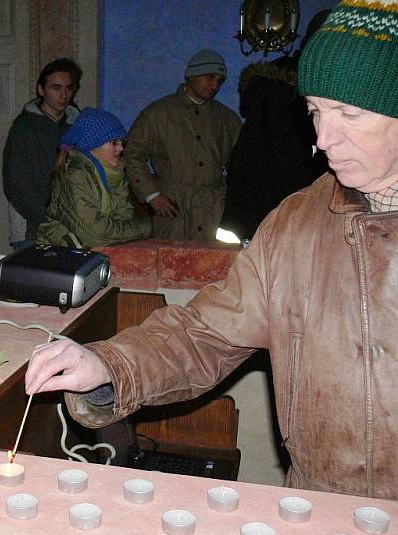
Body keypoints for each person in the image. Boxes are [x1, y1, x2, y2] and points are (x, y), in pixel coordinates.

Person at [25, 0, 398, 500]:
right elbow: (205, 334)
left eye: (349, 113)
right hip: (321, 510)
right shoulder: (295, 224)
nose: (323, 139)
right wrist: (110, 366)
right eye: (315, 111)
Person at [221, 10, 331, 242]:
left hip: (249, 212)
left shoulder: (268, 90)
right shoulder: (304, 91)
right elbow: (296, 164)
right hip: (292, 213)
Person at [124, 49, 240, 241]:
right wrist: (152, 196)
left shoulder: (227, 119)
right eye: (209, 77)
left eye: (220, 80)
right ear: (191, 76)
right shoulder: (158, 114)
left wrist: (230, 199)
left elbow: (239, 163)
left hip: (214, 210)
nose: (215, 85)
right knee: (171, 264)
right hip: (172, 207)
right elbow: (132, 155)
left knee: (212, 265)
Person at [36, 107, 151, 248]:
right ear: (92, 145)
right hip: (61, 257)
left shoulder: (115, 173)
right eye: (114, 142)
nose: (121, 148)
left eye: (122, 142)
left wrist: (116, 231)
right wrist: (145, 228)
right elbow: (95, 234)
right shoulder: (74, 175)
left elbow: (124, 216)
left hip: (89, 255)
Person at [3, 58, 81, 251]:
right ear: (41, 90)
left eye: (68, 88)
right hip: (32, 229)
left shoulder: (77, 125)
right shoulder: (24, 128)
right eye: (56, 88)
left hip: (73, 227)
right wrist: (49, 221)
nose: (63, 95)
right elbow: (17, 184)